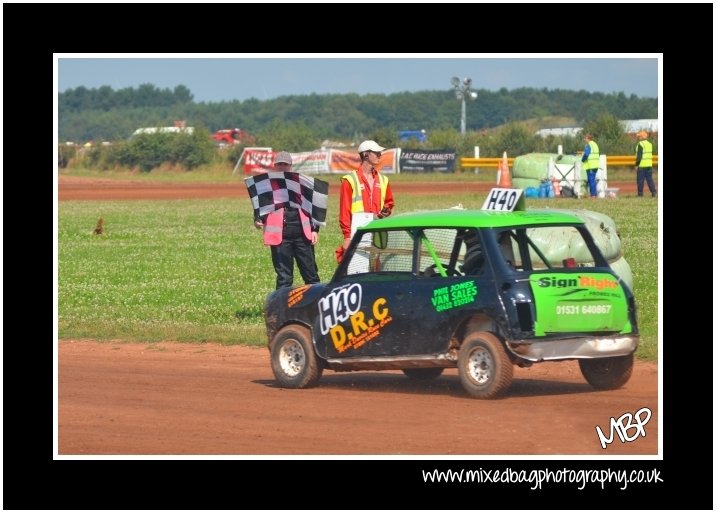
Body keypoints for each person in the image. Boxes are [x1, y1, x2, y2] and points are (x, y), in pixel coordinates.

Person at [254, 151, 320, 289]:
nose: (282, 167)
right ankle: (282, 309)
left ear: (290, 165)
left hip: (303, 234)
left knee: (311, 275)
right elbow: (261, 206)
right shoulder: (267, 185)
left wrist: (315, 230)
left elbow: (312, 207)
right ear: (275, 166)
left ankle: (315, 307)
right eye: (279, 164)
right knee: (284, 278)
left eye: (285, 164)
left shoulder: (302, 184)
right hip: (280, 237)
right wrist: (258, 218)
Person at [337, 140, 395, 261]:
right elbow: (344, 211)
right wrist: (347, 236)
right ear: (365, 154)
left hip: (377, 230)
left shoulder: (384, 180)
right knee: (358, 266)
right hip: (357, 231)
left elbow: (389, 203)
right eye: (376, 152)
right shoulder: (350, 180)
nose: (380, 155)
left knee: (376, 268)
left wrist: (386, 211)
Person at [634, 130, 657, 197]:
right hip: (649, 165)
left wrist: (636, 165)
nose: (638, 138)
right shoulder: (650, 144)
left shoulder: (640, 144)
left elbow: (639, 156)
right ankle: (654, 193)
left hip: (642, 165)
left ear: (641, 137)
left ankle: (640, 194)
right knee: (650, 180)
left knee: (640, 181)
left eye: (639, 137)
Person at [581, 133, 600, 198]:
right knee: (593, 180)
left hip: (590, 165)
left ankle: (593, 195)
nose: (584, 140)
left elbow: (586, 154)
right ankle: (594, 194)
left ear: (588, 138)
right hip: (595, 165)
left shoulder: (588, 145)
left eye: (584, 138)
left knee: (591, 180)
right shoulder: (595, 144)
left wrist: (582, 160)